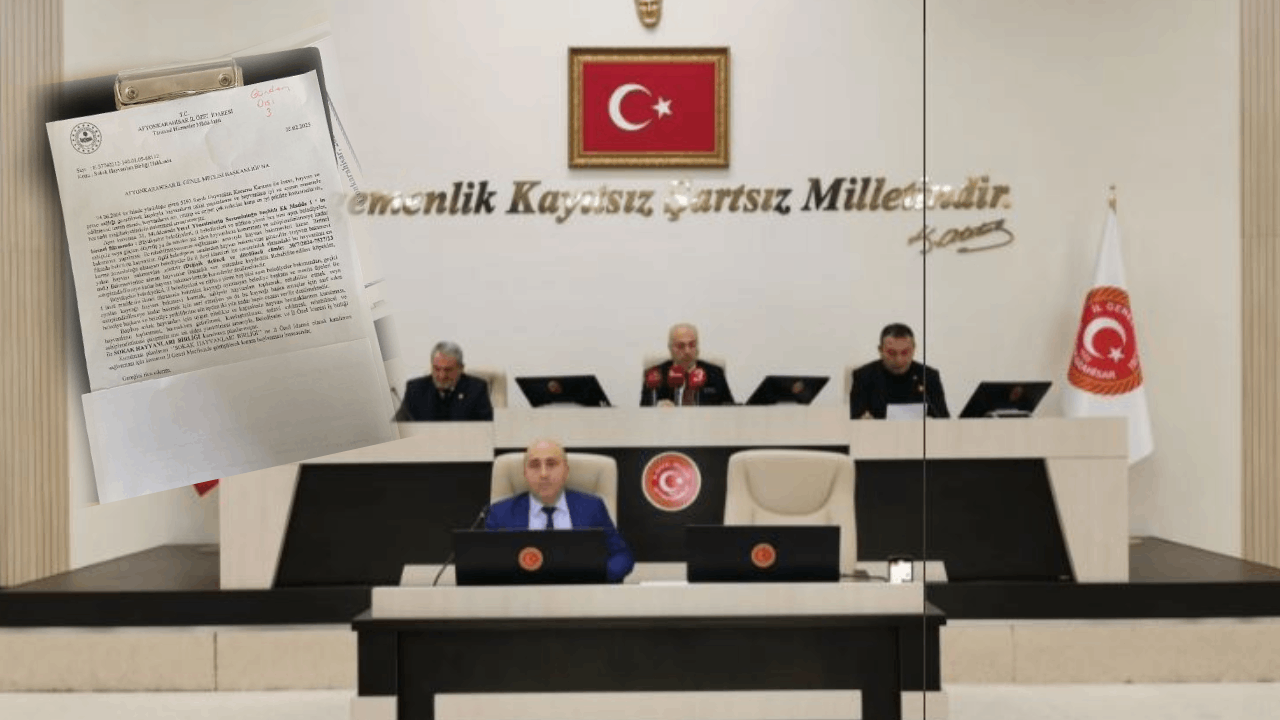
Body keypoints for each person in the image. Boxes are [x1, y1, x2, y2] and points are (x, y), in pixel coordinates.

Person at [485, 439, 635, 583]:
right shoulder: (500, 513)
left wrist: (593, 577)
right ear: (525, 473)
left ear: (566, 471)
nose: (543, 474)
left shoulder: (592, 507)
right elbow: (488, 563)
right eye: (535, 465)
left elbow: (622, 556)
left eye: (551, 464)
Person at [849, 323, 949, 419]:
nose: (899, 360)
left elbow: (943, 420)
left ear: (914, 349)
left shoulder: (929, 376)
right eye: (891, 353)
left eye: (905, 352)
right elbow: (853, 420)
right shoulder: (863, 376)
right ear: (880, 350)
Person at [640, 323, 734, 406]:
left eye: (692, 345)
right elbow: (644, 413)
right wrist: (657, 410)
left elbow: (729, 410)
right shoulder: (655, 374)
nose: (687, 351)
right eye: (681, 346)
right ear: (670, 348)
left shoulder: (716, 374)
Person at [397, 341, 494, 422]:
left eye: (448, 370)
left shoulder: (477, 389)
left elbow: (486, 428)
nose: (442, 376)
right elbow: (399, 427)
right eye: (437, 369)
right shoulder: (415, 389)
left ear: (461, 368)